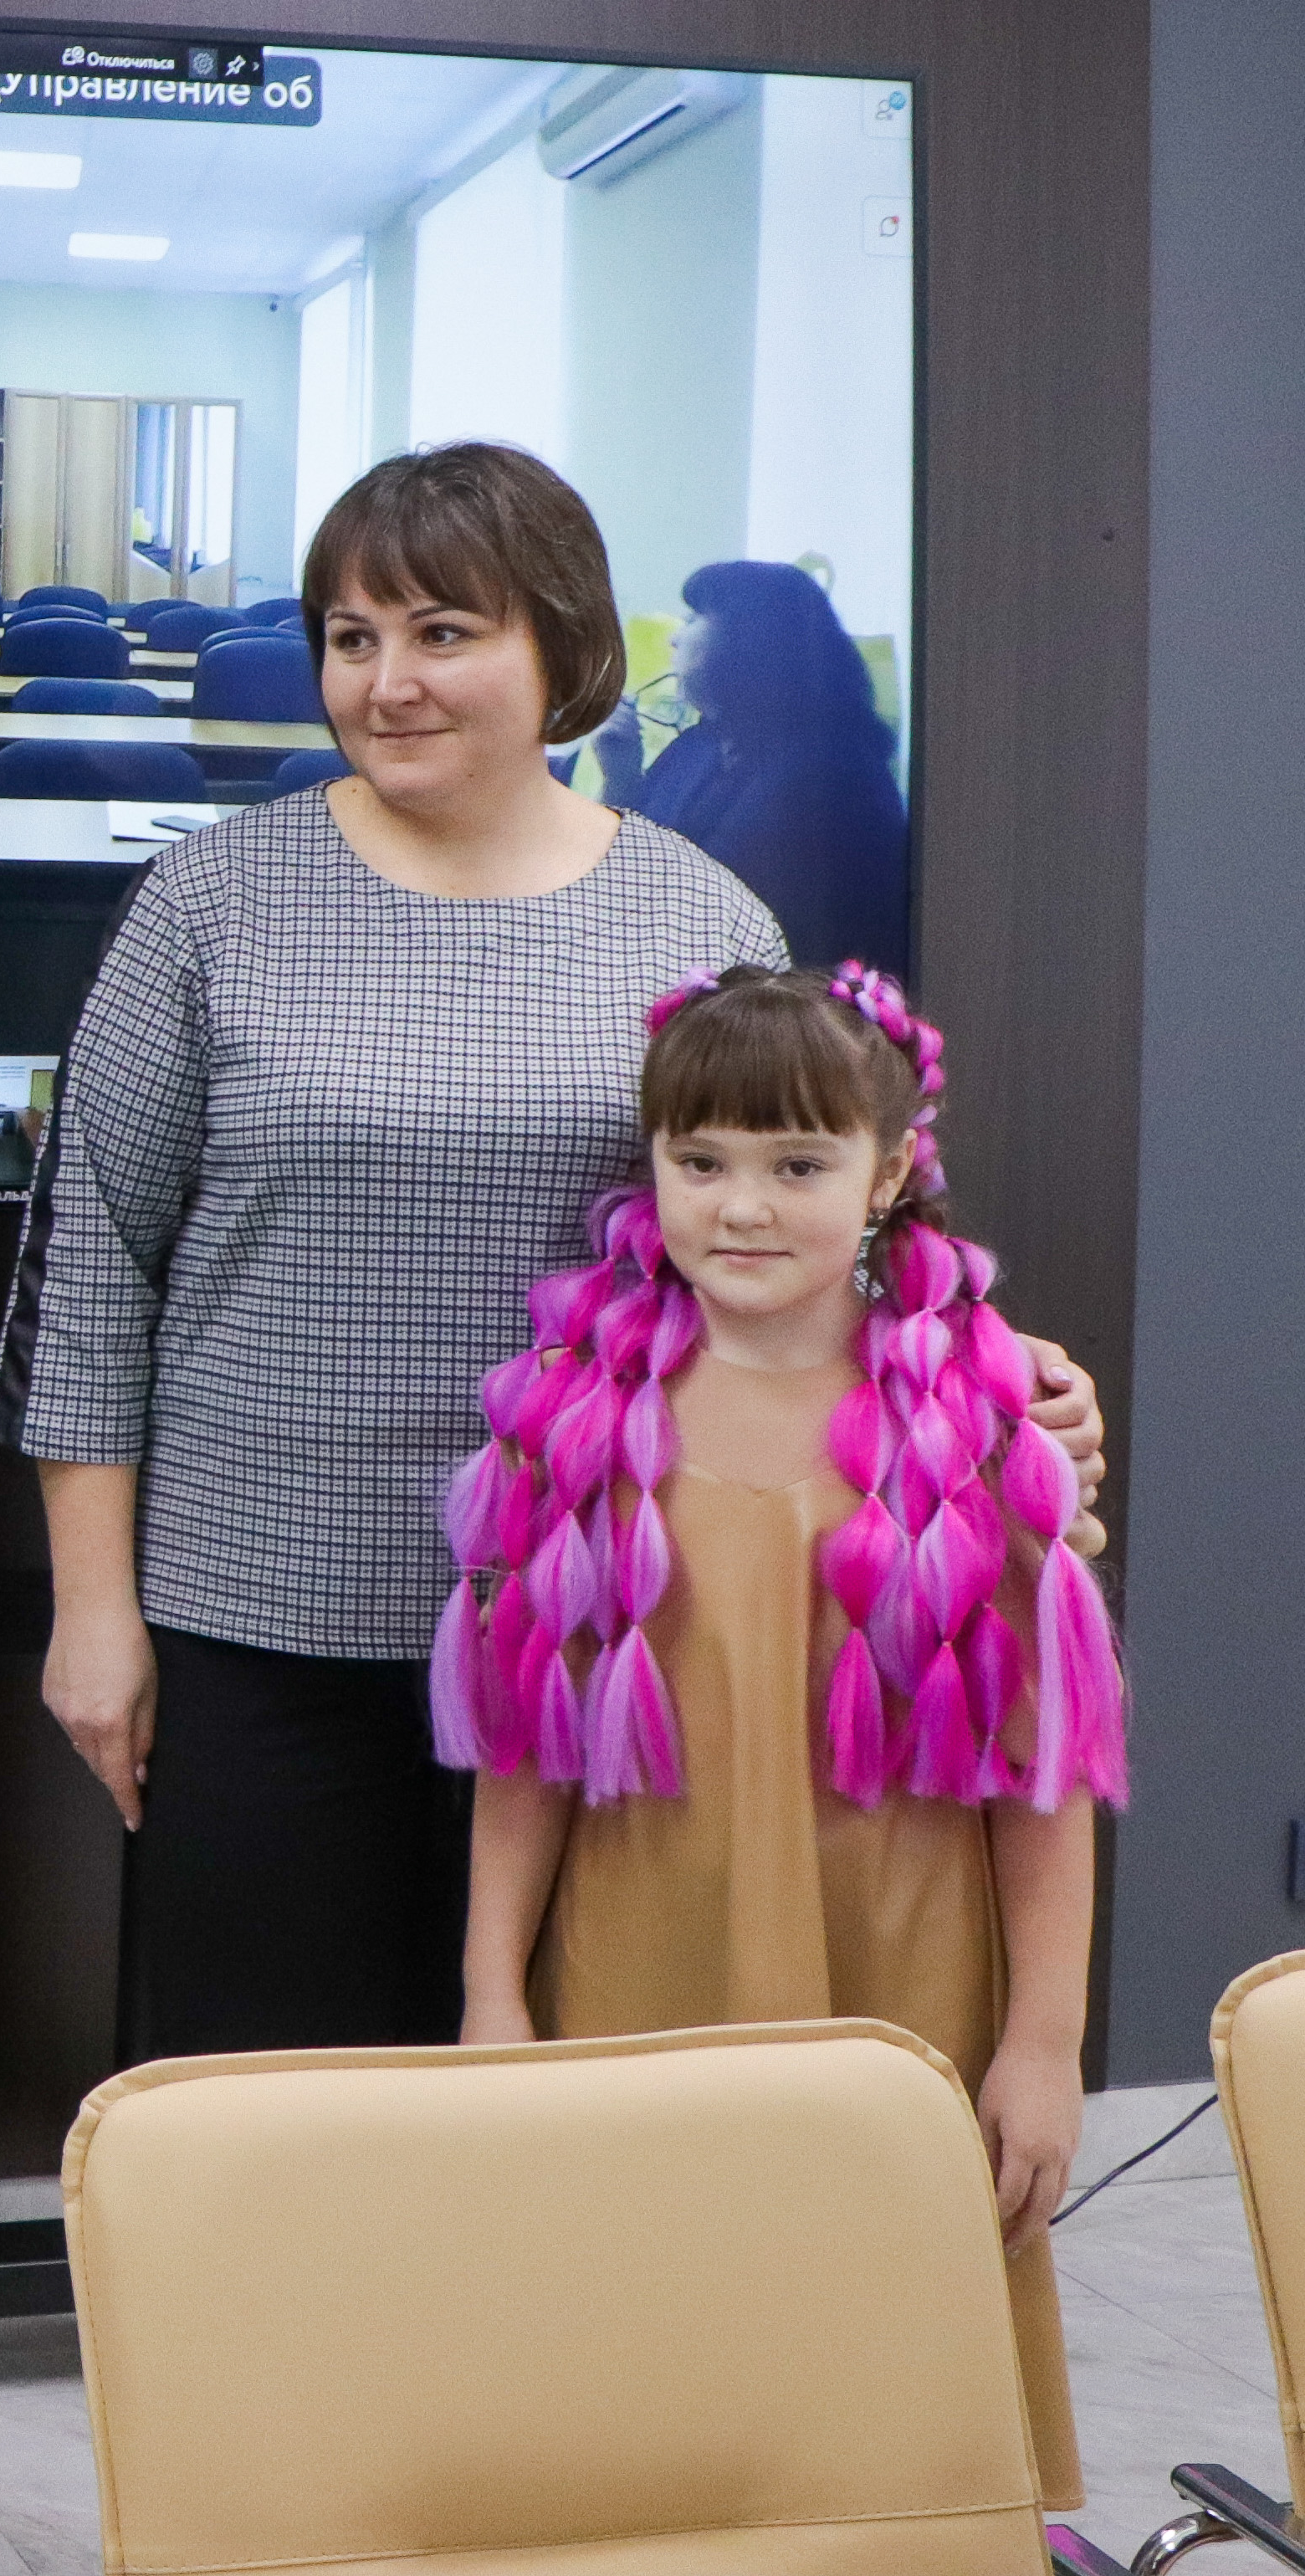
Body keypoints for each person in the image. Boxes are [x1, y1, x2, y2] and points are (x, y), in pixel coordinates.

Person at [0, 442, 1104, 2062]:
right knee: (267, 2102)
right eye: (350, 636)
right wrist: (90, 1608)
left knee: (548, 2117)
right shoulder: (206, 902)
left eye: (440, 631)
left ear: (558, 645)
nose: (384, 681)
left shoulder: (696, 915)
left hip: (599, 1622)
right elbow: (92, 1260)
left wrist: (996, 1380)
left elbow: (781, 1227)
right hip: (260, 1613)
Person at [448, 960, 1118, 2505]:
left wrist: (1041, 2040)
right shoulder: (570, 1421)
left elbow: (1041, 1773)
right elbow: (521, 1748)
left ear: (886, 1173)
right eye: (699, 1160)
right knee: (641, 2376)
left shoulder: (976, 1428)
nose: (740, 1206)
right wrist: (490, 1991)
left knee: (884, 2391)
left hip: (903, 1986)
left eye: (797, 1163)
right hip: (635, 1978)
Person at [594, 558, 911, 977]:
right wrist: (621, 778)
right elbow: (627, 872)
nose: (674, 637)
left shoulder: (834, 774)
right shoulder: (699, 745)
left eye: (692, 620)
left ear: (749, 639)